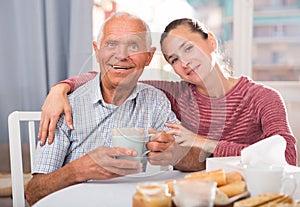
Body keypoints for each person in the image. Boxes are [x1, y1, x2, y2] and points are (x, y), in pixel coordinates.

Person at [38, 18, 298, 168]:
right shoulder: (174, 92)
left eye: (189, 48)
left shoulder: (263, 97)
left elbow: (287, 157)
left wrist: (204, 142)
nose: (184, 63)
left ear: (211, 42)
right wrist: (60, 88)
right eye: (174, 58)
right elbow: (113, 73)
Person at [25, 12, 189, 206]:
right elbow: (33, 193)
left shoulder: (156, 100)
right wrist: (79, 170)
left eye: (134, 46)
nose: (121, 55)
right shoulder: (65, 106)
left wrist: (175, 151)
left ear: (149, 56)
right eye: (111, 44)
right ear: (97, 50)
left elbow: (189, 158)